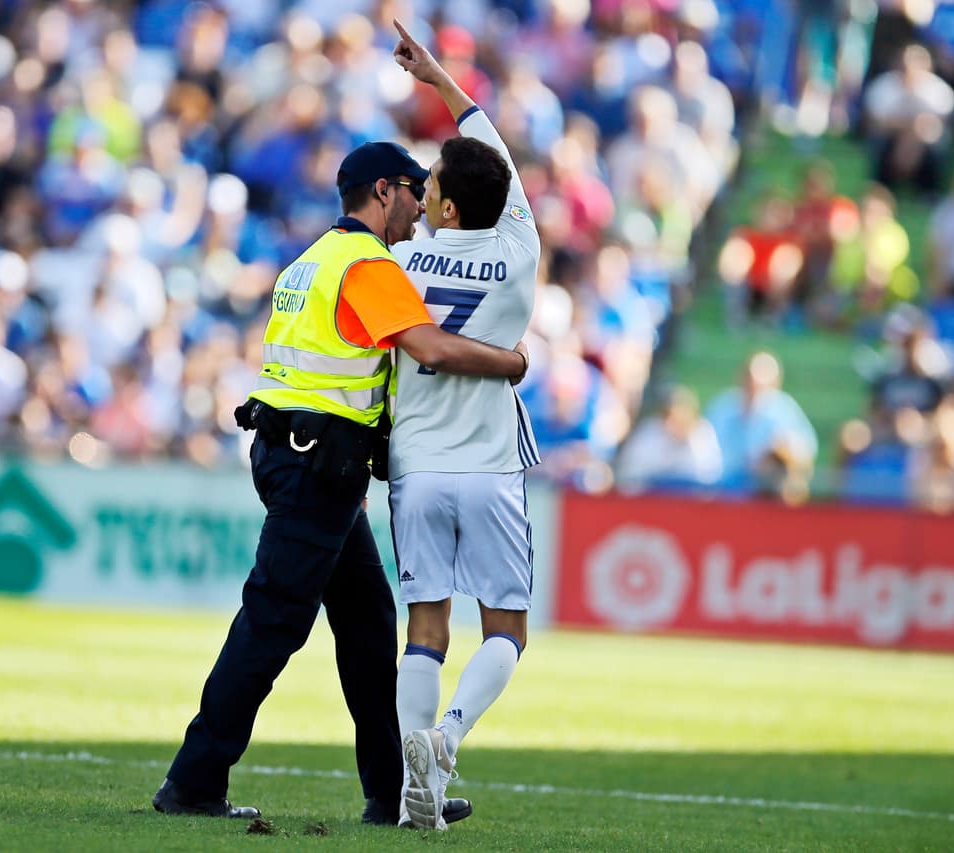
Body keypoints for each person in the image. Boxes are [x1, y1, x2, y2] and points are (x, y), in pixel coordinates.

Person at [152, 120, 530, 822]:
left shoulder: (312, 260)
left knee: (366, 623)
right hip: (316, 461)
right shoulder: (369, 266)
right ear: (382, 191)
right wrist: (513, 363)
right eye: (414, 192)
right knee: (272, 621)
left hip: (298, 449)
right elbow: (431, 351)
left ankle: (391, 794)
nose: (422, 206)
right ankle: (193, 781)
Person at [385, 21, 541, 831]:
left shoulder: (403, 261)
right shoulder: (520, 249)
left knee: (425, 625)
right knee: (507, 627)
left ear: (444, 204)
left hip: (416, 462)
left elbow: (482, 168)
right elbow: (498, 163)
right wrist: (443, 80)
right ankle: (445, 740)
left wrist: (430, 82)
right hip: (489, 467)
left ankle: (419, 787)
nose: (423, 186)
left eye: (432, 179)